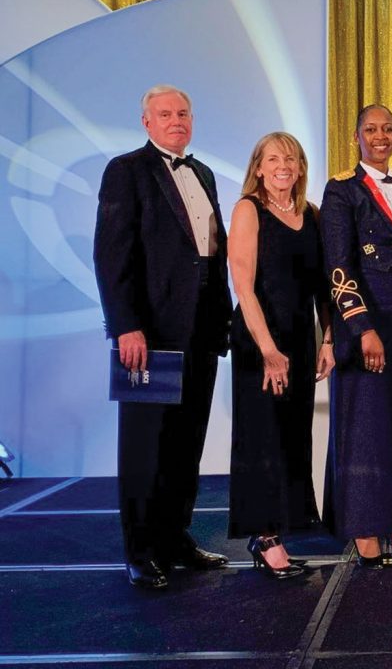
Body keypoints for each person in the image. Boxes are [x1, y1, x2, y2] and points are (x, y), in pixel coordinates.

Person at [93, 85, 232, 590]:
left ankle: (175, 537)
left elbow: (211, 255)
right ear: (146, 122)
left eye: (184, 113)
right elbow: (111, 254)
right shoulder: (126, 170)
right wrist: (125, 325)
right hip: (148, 335)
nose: (177, 120)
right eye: (166, 114)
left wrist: (224, 320)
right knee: (143, 446)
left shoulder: (204, 173)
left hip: (201, 332)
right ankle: (140, 550)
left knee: (185, 441)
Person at [320, 105, 392, 568]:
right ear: (356, 137)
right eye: (371, 129)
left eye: (388, 128)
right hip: (368, 327)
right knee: (367, 430)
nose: (381, 135)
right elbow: (338, 265)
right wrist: (362, 326)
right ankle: (366, 530)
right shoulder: (342, 192)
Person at [226, 132, 334, 579]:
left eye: (290, 158)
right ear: (258, 167)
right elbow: (242, 284)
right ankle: (264, 537)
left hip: (300, 338)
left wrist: (327, 339)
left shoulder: (311, 213)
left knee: (292, 437)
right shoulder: (248, 210)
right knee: (262, 437)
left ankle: (278, 530)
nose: (283, 165)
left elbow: (326, 285)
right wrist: (269, 350)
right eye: (273, 158)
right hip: (259, 339)